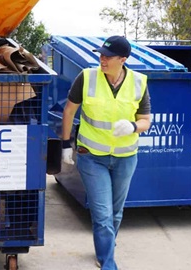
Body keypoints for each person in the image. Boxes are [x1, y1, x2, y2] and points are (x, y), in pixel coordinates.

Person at [61, 35, 151, 270]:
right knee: (102, 214)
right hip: (91, 157)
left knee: (115, 213)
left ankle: (106, 247)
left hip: (125, 158)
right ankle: (108, 262)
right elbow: (69, 111)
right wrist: (64, 145)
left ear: (123, 59)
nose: (102, 59)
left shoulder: (139, 82)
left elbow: (145, 121)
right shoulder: (87, 77)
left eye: (107, 56)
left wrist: (132, 126)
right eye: (100, 54)